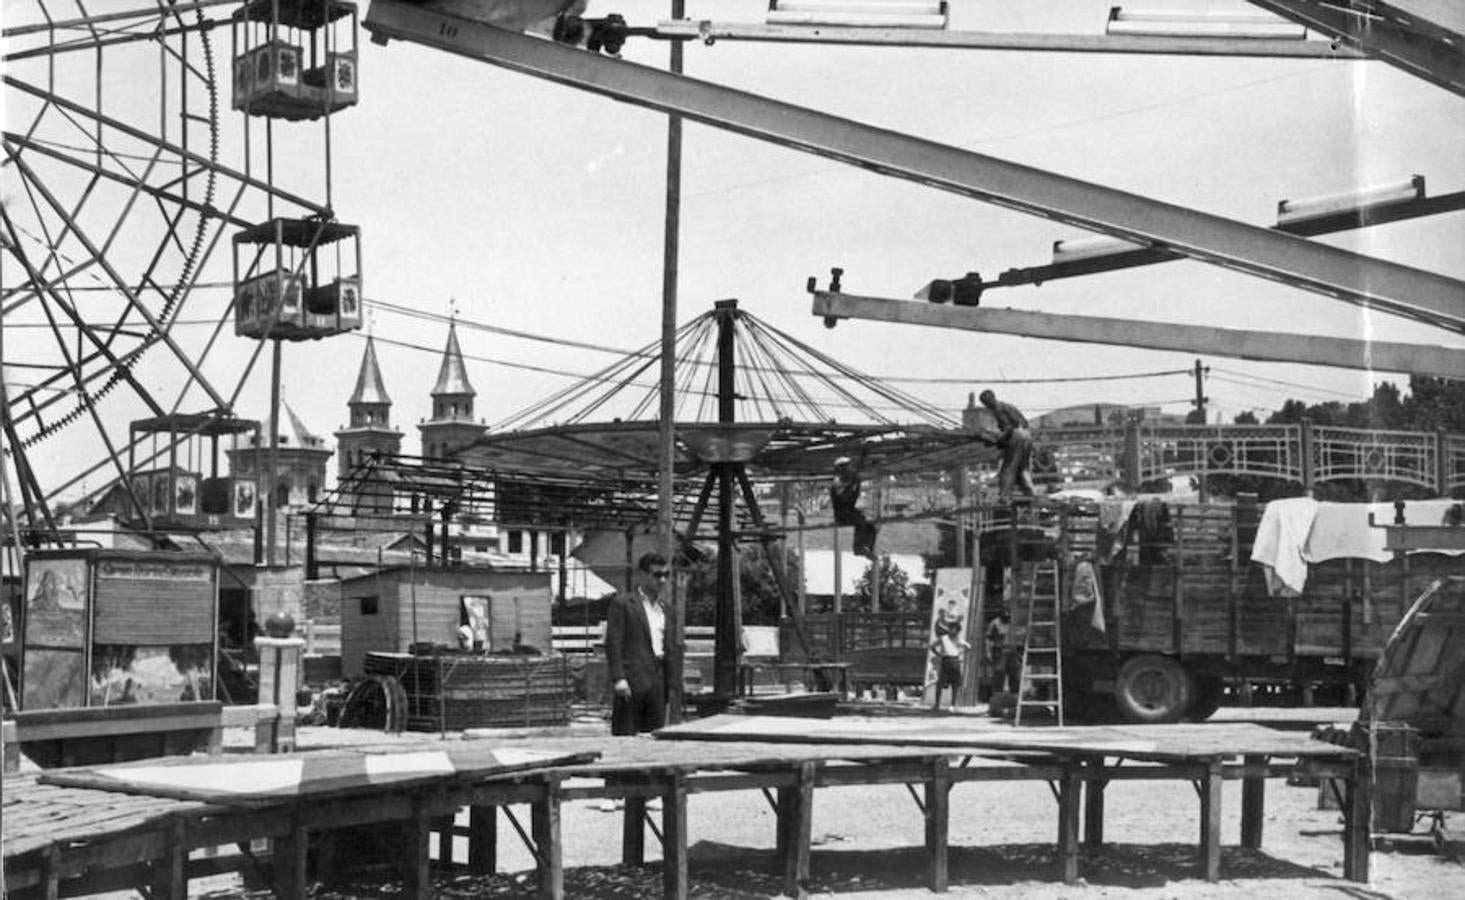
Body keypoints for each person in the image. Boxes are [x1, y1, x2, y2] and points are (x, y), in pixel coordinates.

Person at [605, 552, 673, 735]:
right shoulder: (624, 604)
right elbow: (613, 642)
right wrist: (618, 678)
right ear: (642, 575)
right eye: (657, 575)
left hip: (658, 680)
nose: (663, 580)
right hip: (632, 680)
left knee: (655, 735)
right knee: (626, 734)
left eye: (666, 575)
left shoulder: (666, 609)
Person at [979, 389, 1036, 502]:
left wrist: (997, 439)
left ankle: (1004, 496)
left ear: (991, 400)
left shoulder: (998, 409)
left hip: (1017, 435)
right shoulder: (1006, 406)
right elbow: (1023, 423)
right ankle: (1030, 491)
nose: (987, 406)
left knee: (1009, 467)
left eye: (987, 403)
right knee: (1023, 467)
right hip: (1027, 436)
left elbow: (1010, 428)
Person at [830, 456, 878, 559]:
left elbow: (854, 494)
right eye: (847, 467)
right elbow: (844, 498)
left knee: (871, 525)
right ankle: (858, 547)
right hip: (842, 514)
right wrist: (853, 484)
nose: (850, 468)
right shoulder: (837, 482)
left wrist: (855, 482)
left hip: (850, 511)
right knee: (860, 521)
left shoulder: (851, 480)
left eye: (849, 466)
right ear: (841, 469)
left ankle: (868, 547)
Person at [929, 597, 971, 711]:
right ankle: (937, 704)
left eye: (956, 629)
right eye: (952, 629)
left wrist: (960, 653)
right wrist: (939, 654)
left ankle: (952, 705)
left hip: (955, 661)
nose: (954, 631)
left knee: (955, 684)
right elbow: (932, 646)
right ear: (949, 629)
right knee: (940, 683)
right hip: (946, 660)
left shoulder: (958, 639)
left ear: (958, 630)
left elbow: (968, 647)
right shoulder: (943, 638)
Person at [985, 608, 1022, 696]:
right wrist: (988, 652)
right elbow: (989, 638)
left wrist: (1019, 653)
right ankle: (997, 694)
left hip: (1012, 651)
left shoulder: (1012, 623)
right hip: (999, 651)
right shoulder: (995, 623)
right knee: (999, 673)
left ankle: (1014, 694)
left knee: (1014, 672)